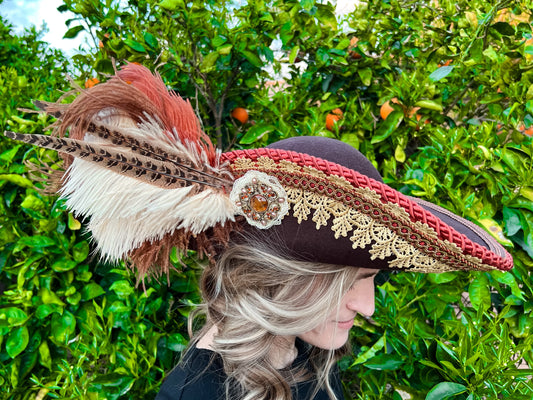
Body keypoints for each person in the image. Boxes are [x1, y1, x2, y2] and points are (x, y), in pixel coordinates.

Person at [4, 63, 513, 400]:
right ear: (273, 276)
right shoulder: (195, 396)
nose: (368, 306)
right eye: (349, 279)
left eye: (371, 279)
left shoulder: (305, 350)